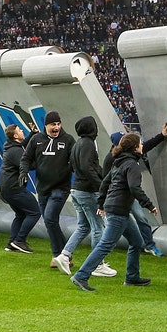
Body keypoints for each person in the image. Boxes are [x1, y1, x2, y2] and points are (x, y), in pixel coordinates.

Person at [69, 132, 155, 291]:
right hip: (119, 210)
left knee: (136, 241)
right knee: (105, 245)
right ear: (135, 147)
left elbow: (104, 184)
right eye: (141, 144)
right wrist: (149, 205)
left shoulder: (119, 162)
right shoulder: (132, 165)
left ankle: (132, 277)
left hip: (115, 208)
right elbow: (134, 188)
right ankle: (81, 276)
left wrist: (101, 204)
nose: (142, 145)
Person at [54, 116, 113, 277]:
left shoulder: (77, 144)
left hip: (77, 190)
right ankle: (97, 264)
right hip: (87, 191)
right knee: (97, 227)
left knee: (83, 226)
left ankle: (64, 255)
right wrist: (101, 186)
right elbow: (88, 167)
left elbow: (74, 166)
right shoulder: (88, 144)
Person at [106, 122, 167, 256]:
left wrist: (161, 136)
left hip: (127, 197)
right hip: (119, 198)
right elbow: (107, 180)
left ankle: (149, 245)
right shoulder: (112, 159)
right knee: (111, 232)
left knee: (141, 219)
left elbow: (145, 146)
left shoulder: (126, 156)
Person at [21, 111, 75, 264]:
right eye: (53, 124)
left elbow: (76, 161)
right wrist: (23, 171)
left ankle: (58, 255)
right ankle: (66, 255)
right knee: (50, 222)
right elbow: (26, 158)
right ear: (46, 125)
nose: (56, 127)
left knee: (50, 218)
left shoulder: (69, 140)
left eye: (58, 124)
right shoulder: (36, 139)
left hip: (61, 188)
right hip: (42, 188)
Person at [0, 124, 40, 253]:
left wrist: (32, 134)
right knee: (35, 212)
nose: (22, 131)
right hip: (14, 188)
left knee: (21, 214)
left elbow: (23, 145)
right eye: (20, 130)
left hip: (7, 188)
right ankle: (19, 240)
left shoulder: (12, 146)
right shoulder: (15, 151)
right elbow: (29, 165)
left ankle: (12, 243)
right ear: (15, 136)